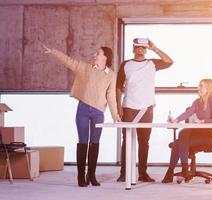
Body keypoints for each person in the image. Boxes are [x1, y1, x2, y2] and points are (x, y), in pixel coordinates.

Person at [43, 45, 121, 187]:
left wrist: (115, 114)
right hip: (83, 110)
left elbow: (110, 96)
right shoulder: (85, 68)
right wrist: (53, 51)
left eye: (98, 53)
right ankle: (80, 175)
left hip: (98, 113)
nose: (94, 55)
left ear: (105, 57)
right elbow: (68, 61)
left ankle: (91, 175)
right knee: (83, 142)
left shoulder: (111, 75)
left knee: (95, 143)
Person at [116, 38, 173, 182]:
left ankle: (143, 173)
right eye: (137, 47)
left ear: (145, 49)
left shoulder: (152, 63)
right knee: (127, 140)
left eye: (142, 47)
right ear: (133, 49)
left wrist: (155, 48)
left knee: (144, 141)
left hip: (146, 108)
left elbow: (169, 61)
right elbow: (118, 86)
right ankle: (124, 173)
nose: (140, 49)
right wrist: (118, 106)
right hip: (128, 106)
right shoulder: (126, 64)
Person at [162, 79, 212, 183]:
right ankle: (176, 170)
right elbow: (188, 113)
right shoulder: (197, 101)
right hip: (196, 133)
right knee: (181, 136)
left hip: (208, 135)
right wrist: (175, 120)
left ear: (208, 88)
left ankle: (175, 171)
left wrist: (203, 121)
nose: (198, 88)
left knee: (180, 139)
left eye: (201, 86)